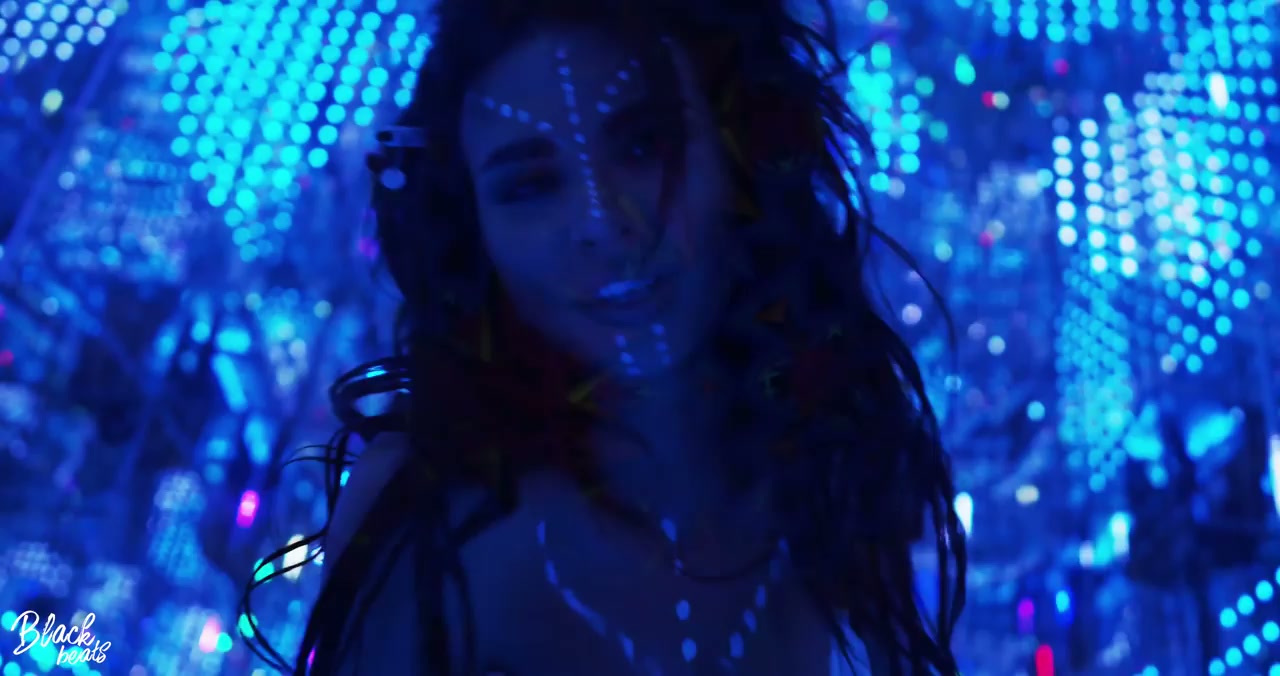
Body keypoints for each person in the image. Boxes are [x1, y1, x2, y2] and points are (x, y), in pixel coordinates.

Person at [241, 0, 966, 673]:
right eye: (531, 185)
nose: (604, 223)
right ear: (474, 233)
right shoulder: (420, 513)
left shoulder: (828, 471)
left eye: (644, 146)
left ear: (738, 153)